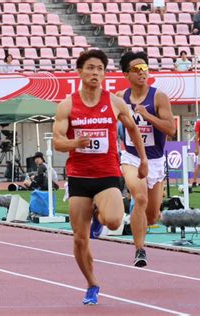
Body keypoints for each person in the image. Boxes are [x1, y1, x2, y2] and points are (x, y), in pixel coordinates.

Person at [53, 49, 147, 305]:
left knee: (115, 222)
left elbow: (134, 131)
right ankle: (92, 283)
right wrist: (75, 142)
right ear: (80, 71)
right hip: (79, 177)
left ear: (105, 74)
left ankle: (99, 215)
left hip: (107, 174)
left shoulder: (115, 103)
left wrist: (143, 160)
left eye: (100, 69)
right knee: (79, 240)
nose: (95, 73)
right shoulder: (68, 105)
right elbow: (58, 143)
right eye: (90, 68)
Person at [117, 51, 176, 267]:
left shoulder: (158, 97)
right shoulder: (121, 98)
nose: (143, 73)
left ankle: (138, 221)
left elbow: (171, 128)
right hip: (131, 158)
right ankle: (140, 250)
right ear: (126, 74)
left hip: (156, 161)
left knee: (152, 216)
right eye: (137, 69)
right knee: (139, 198)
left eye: (145, 68)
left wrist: (147, 115)